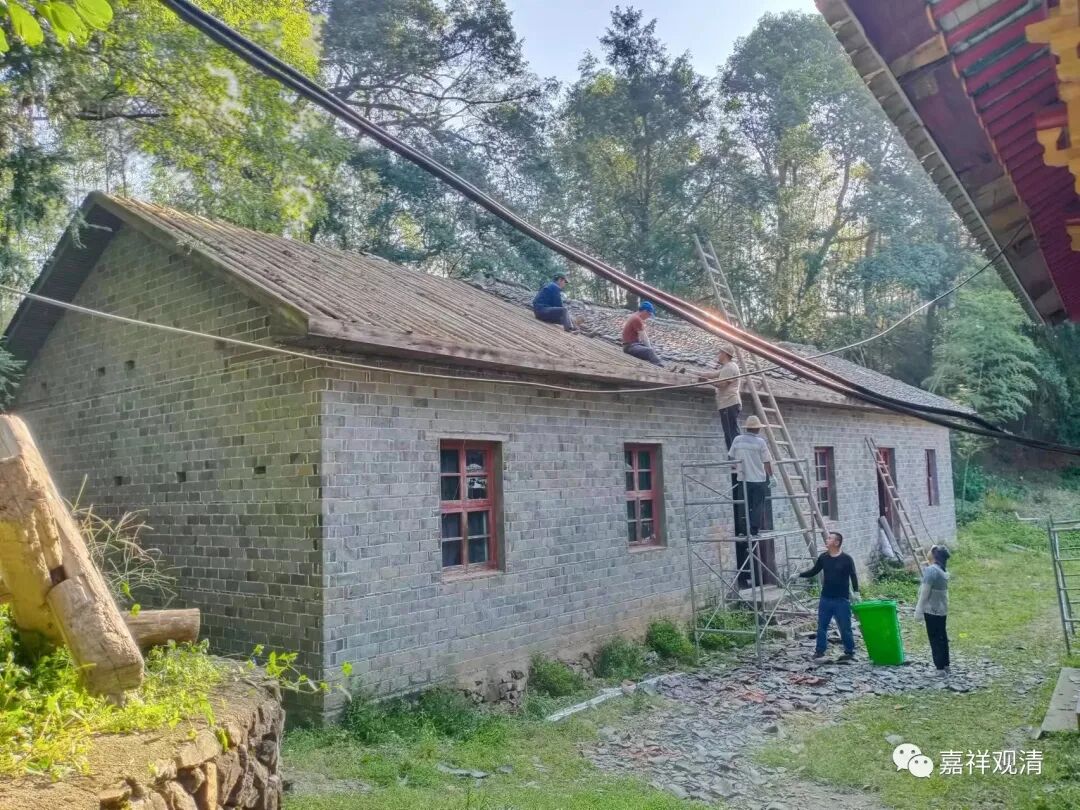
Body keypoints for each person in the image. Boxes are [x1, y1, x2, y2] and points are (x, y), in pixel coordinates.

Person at [799, 531, 860, 663]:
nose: (827, 540)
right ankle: (819, 651)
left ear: (837, 542)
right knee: (822, 626)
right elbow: (814, 571)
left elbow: (853, 575)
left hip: (841, 599)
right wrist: (799, 575)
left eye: (830, 538)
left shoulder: (847, 559)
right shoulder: (823, 557)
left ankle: (849, 652)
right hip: (826, 598)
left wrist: (856, 592)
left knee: (845, 627)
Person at [727, 415, 772, 586]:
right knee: (758, 505)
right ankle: (752, 530)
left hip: (743, 478)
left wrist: (738, 467)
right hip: (758, 479)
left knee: (742, 505)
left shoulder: (737, 440)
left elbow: (731, 458)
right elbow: (767, 462)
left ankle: (742, 530)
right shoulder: (760, 442)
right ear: (757, 428)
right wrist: (772, 476)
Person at [915, 545, 951, 675]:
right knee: (942, 637)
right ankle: (946, 664)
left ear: (934, 555)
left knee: (935, 638)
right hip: (942, 609)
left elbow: (924, 593)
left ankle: (939, 667)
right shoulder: (942, 570)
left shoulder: (931, 571)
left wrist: (918, 610)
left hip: (931, 610)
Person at [701, 345, 741, 448]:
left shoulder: (730, 367)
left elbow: (722, 384)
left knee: (730, 433)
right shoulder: (727, 367)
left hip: (728, 403)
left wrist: (708, 381)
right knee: (730, 432)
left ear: (725, 354)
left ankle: (734, 455)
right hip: (728, 404)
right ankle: (734, 454)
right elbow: (713, 374)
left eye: (720, 353)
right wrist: (699, 374)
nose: (718, 355)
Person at [621, 301, 664, 366]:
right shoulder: (637, 319)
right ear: (645, 311)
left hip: (630, 345)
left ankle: (658, 362)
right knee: (650, 351)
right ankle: (660, 367)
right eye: (649, 314)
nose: (648, 317)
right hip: (630, 347)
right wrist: (651, 349)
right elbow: (644, 338)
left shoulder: (634, 316)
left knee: (651, 351)